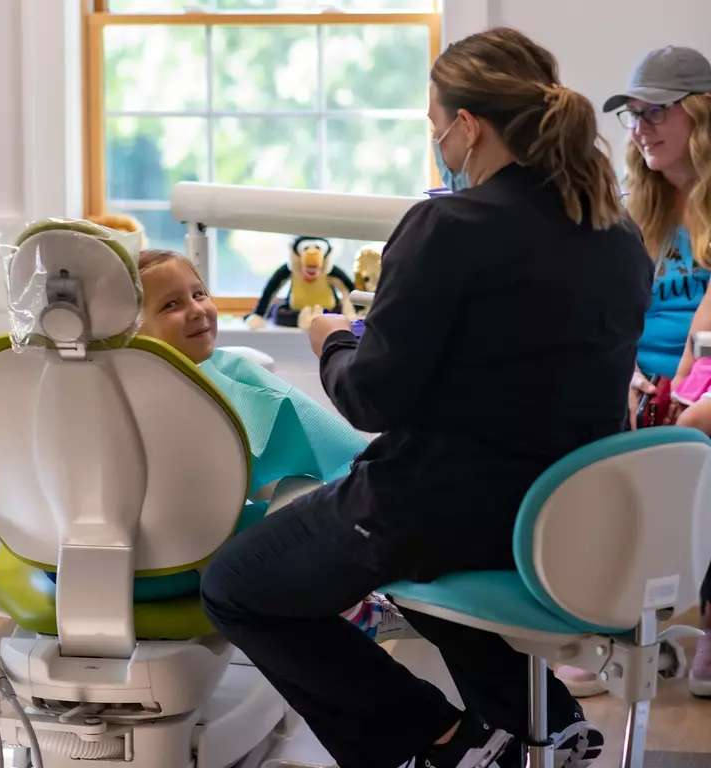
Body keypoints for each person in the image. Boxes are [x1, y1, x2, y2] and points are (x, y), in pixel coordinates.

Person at [199, 26, 653, 768]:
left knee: (235, 586)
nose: (437, 137)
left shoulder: (448, 226)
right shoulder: (615, 231)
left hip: (442, 512)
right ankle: (541, 721)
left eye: (436, 121)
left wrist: (334, 340)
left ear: (467, 127)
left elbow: (370, 401)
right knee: (407, 564)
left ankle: (440, 740)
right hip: (565, 518)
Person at [136, 248, 415, 642]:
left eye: (199, 294)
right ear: (131, 326)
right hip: (170, 561)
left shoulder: (111, 386)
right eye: (171, 305)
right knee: (313, 510)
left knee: (305, 500)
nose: (197, 310)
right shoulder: (175, 393)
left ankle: (356, 599)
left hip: (88, 563)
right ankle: (356, 612)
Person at [556, 44, 711, 700]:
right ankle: (605, 623)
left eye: (657, 113)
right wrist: (619, 378)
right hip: (637, 381)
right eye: (633, 115)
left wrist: (682, 394)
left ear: (699, 117)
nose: (641, 127)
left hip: (701, 375)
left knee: (699, 425)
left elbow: (704, 337)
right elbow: (595, 313)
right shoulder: (626, 208)